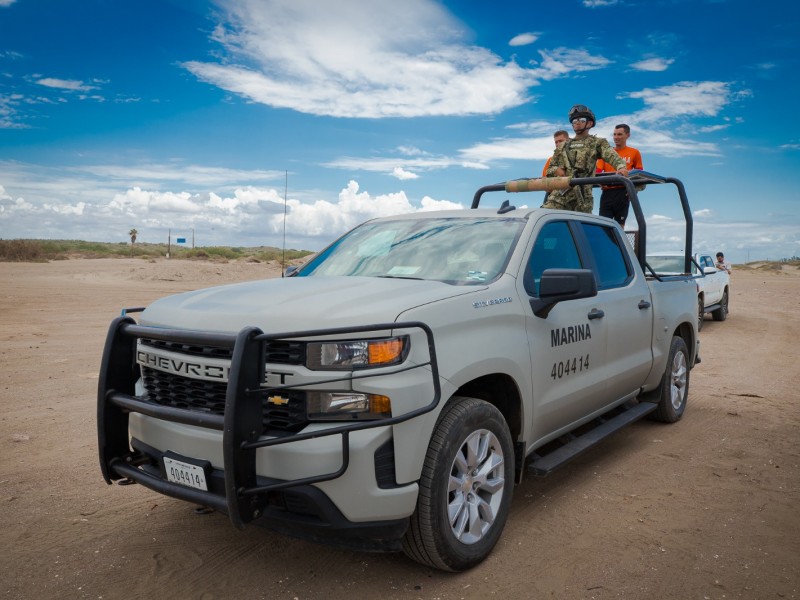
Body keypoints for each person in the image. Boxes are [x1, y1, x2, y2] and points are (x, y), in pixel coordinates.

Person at [544, 105, 628, 213]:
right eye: (574, 121)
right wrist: (556, 170)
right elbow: (549, 170)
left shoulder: (597, 143)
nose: (577, 122)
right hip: (559, 196)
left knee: (580, 227)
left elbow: (612, 156)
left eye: (581, 120)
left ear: (590, 123)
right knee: (544, 216)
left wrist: (621, 167)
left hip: (582, 199)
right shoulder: (563, 146)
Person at [596, 124, 643, 226]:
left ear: (627, 135)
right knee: (604, 225)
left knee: (619, 226)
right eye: (614, 134)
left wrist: (634, 190)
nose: (616, 137)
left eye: (620, 134)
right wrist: (600, 182)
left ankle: (618, 242)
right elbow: (598, 172)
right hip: (607, 193)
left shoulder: (634, 152)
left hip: (623, 192)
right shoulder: (605, 153)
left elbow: (639, 174)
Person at [541, 130, 570, 204]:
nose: (558, 144)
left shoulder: (577, 158)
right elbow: (544, 181)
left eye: (560, 141)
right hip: (552, 197)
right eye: (556, 142)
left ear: (568, 140)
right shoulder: (551, 160)